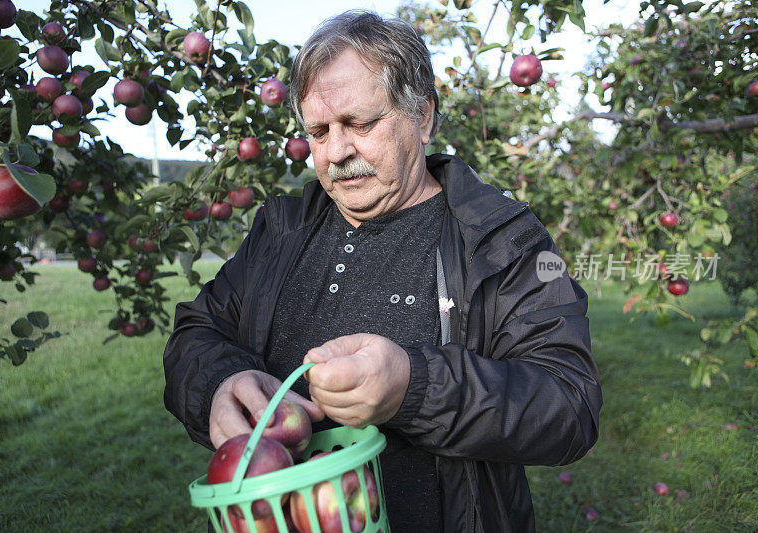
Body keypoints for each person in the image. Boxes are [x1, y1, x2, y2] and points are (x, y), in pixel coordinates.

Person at [164, 10, 602, 532]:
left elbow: (569, 404)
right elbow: (197, 330)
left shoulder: (502, 238)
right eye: (319, 133)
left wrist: (414, 387)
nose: (338, 152)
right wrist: (219, 383)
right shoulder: (281, 230)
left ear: (422, 117)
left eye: (361, 123)